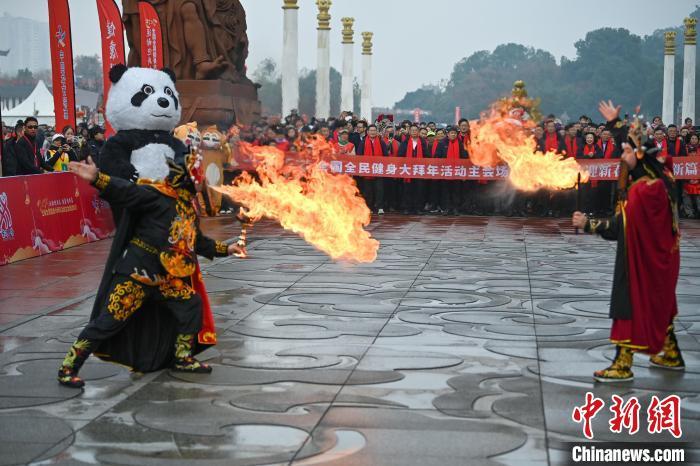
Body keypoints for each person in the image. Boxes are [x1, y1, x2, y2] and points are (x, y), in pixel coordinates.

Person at [59, 154, 245, 388]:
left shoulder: (187, 209)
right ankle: (68, 367)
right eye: (194, 178)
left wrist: (228, 249)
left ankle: (182, 357)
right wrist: (98, 178)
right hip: (138, 274)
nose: (199, 184)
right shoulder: (155, 195)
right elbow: (126, 191)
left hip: (166, 278)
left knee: (190, 303)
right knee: (109, 321)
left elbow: (198, 243)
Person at [572, 100, 684, 383]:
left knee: (630, 304)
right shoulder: (661, 178)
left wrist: (588, 224)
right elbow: (640, 148)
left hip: (642, 259)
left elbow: (619, 227)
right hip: (662, 258)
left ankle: (622, 364)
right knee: (659, 302)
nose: (622, 154)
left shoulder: (644, 192)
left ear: (638, 155)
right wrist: (617, 125)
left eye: (625, 150)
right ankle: (670, 353)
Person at [398, 125, 428, 214]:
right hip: (408, 169)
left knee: (419, 190)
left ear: (418, 132)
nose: (414, 132)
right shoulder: (405, 142)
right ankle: (407, 208)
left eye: (416, 130)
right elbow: (400, 154)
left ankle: (418, 208)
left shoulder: (422, 142)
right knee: (408, 189)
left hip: (419, 169)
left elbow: (426, 154)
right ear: (409, 132)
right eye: (412, 130)